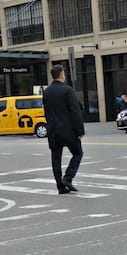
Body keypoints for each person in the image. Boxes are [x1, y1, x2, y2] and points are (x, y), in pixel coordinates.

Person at [41, 64, 85, 195]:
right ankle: (68, 178)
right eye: (64, 73)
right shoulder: (67, 90)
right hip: (68, 131)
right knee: (78, 153)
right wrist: (80, 131)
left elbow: (46, 112)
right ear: (61, 74)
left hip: (53, 131)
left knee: (56, 159)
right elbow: (75, 111)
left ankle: (60, 186)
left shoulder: (46, 92)